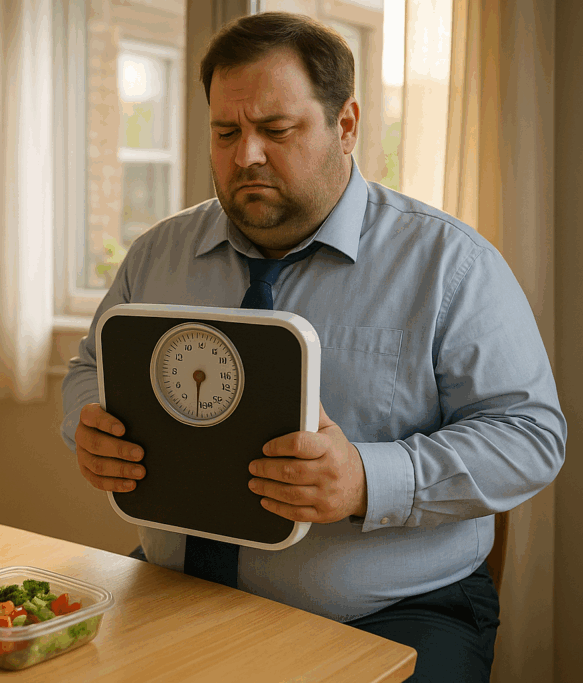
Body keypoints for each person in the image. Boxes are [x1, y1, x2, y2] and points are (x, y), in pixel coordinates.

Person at [61, 12, 565, 682]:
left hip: (396, 611)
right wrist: (86, 424)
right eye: (225, 131)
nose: (246, 155)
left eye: (275, 129)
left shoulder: (451, 264)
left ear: (347, 125)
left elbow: (532, 436)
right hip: (172, 588)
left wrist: (366, 478)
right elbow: (90, 366)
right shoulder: (158, 254)